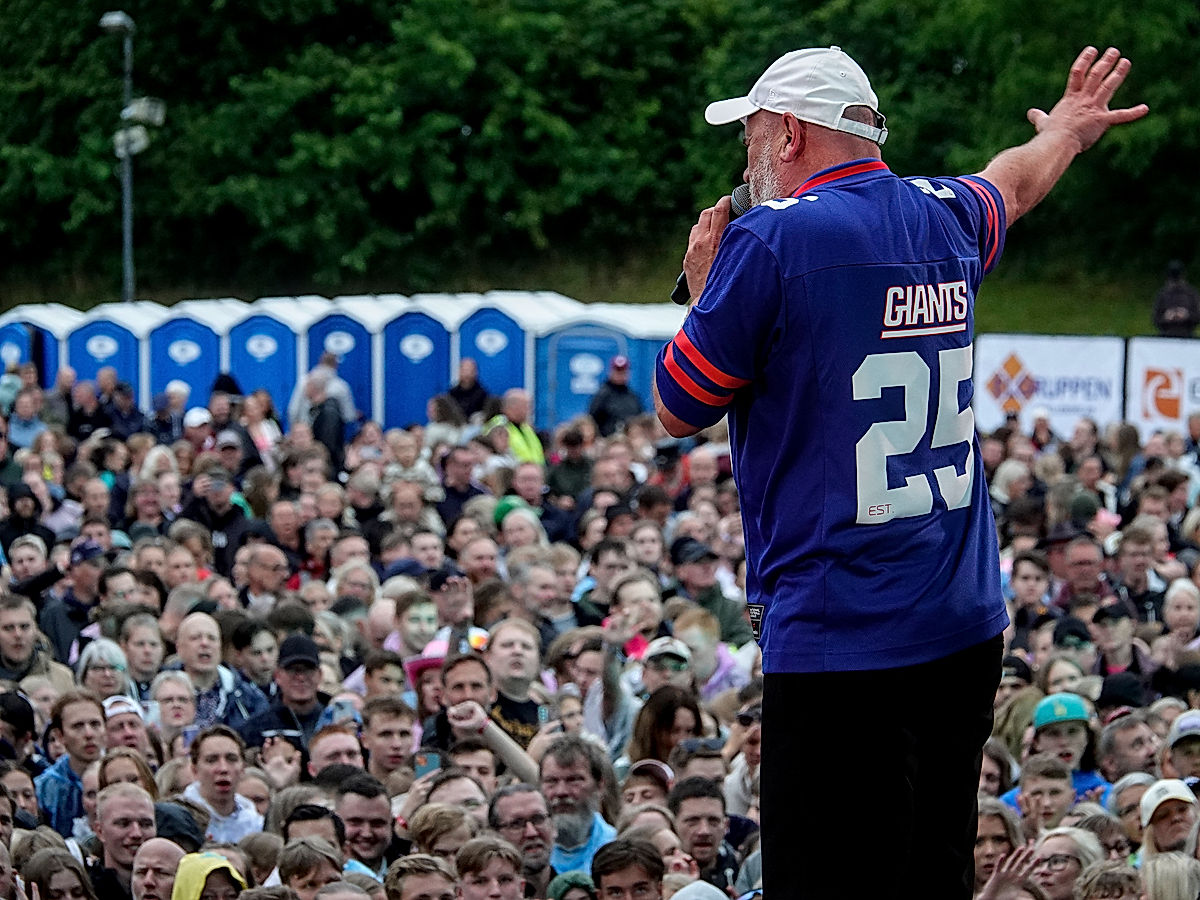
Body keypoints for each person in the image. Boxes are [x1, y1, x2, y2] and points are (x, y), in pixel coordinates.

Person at [652, 44, 1147, 897]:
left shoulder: (769, 242)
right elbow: (1014, 181)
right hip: (959, 622)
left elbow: (676, 405)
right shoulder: (943, 214)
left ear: (795, 135)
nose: (748, 159)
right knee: (932, 873)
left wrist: (704, 291)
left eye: (756, 134)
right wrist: (1067, 130)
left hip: (840, 635)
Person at [588, 357, 643, 439]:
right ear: (611, 371)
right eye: (618, 371)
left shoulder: (633, 396)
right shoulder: (601, 395)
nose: (620, 375)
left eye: (623, 371)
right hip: (607, 441)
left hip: (629, 441)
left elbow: (640, 418)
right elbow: (592, 420)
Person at [1152, 260, 1200, 338]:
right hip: (1166, 336)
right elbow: (1155, 319)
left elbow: (1197, 317)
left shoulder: (1191, 294)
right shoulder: (1162, 295)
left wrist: (1186, 315)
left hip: (1187, 336)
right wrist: (1166, 317)